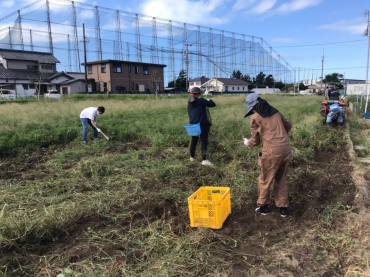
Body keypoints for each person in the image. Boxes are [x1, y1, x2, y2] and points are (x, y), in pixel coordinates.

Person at [243, 93, 292, 217]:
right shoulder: (276, 112)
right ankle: (283, 208)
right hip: (286, 149)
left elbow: (255, 141)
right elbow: (288, 126)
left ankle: (264, 206)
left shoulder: (255, 117)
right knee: (281, 179)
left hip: (271, 152)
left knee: (265, 179)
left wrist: (247, 142)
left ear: (254, 107)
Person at [188, 87, 216, 165]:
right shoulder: (201, 101)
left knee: (194, 140)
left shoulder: (189, 102)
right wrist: (208, 100)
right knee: (204, 141)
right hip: (202, 124)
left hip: (192, 124)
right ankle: (204, 160)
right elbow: (213, 104)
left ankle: (192, 157)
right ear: (198, 94)